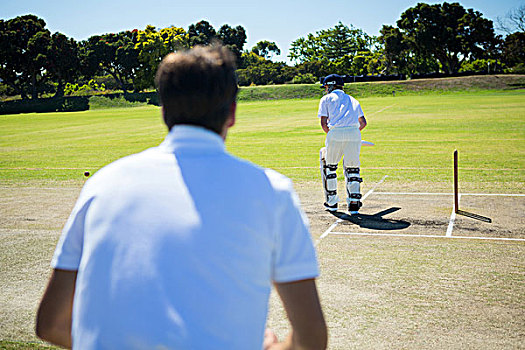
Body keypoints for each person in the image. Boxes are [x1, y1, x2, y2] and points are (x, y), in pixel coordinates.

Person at [36, 45, 327, 350]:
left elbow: (50, 324)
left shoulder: (101, 183)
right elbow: (311, 337)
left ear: (164, 109)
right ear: (232, 113)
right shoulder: (272, 191)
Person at [318, 74, 367, 214]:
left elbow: (323, 123)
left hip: (335, 133)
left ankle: (332, 203)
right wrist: (352, 135)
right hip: (354, 133)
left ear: (332, 85)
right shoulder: (353, 99)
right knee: (353, 169)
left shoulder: (326, 99)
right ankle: (354, 203)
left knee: (330, 168)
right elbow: (363, 123)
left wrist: (335, 135)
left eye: (327, 86)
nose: (326, 89)